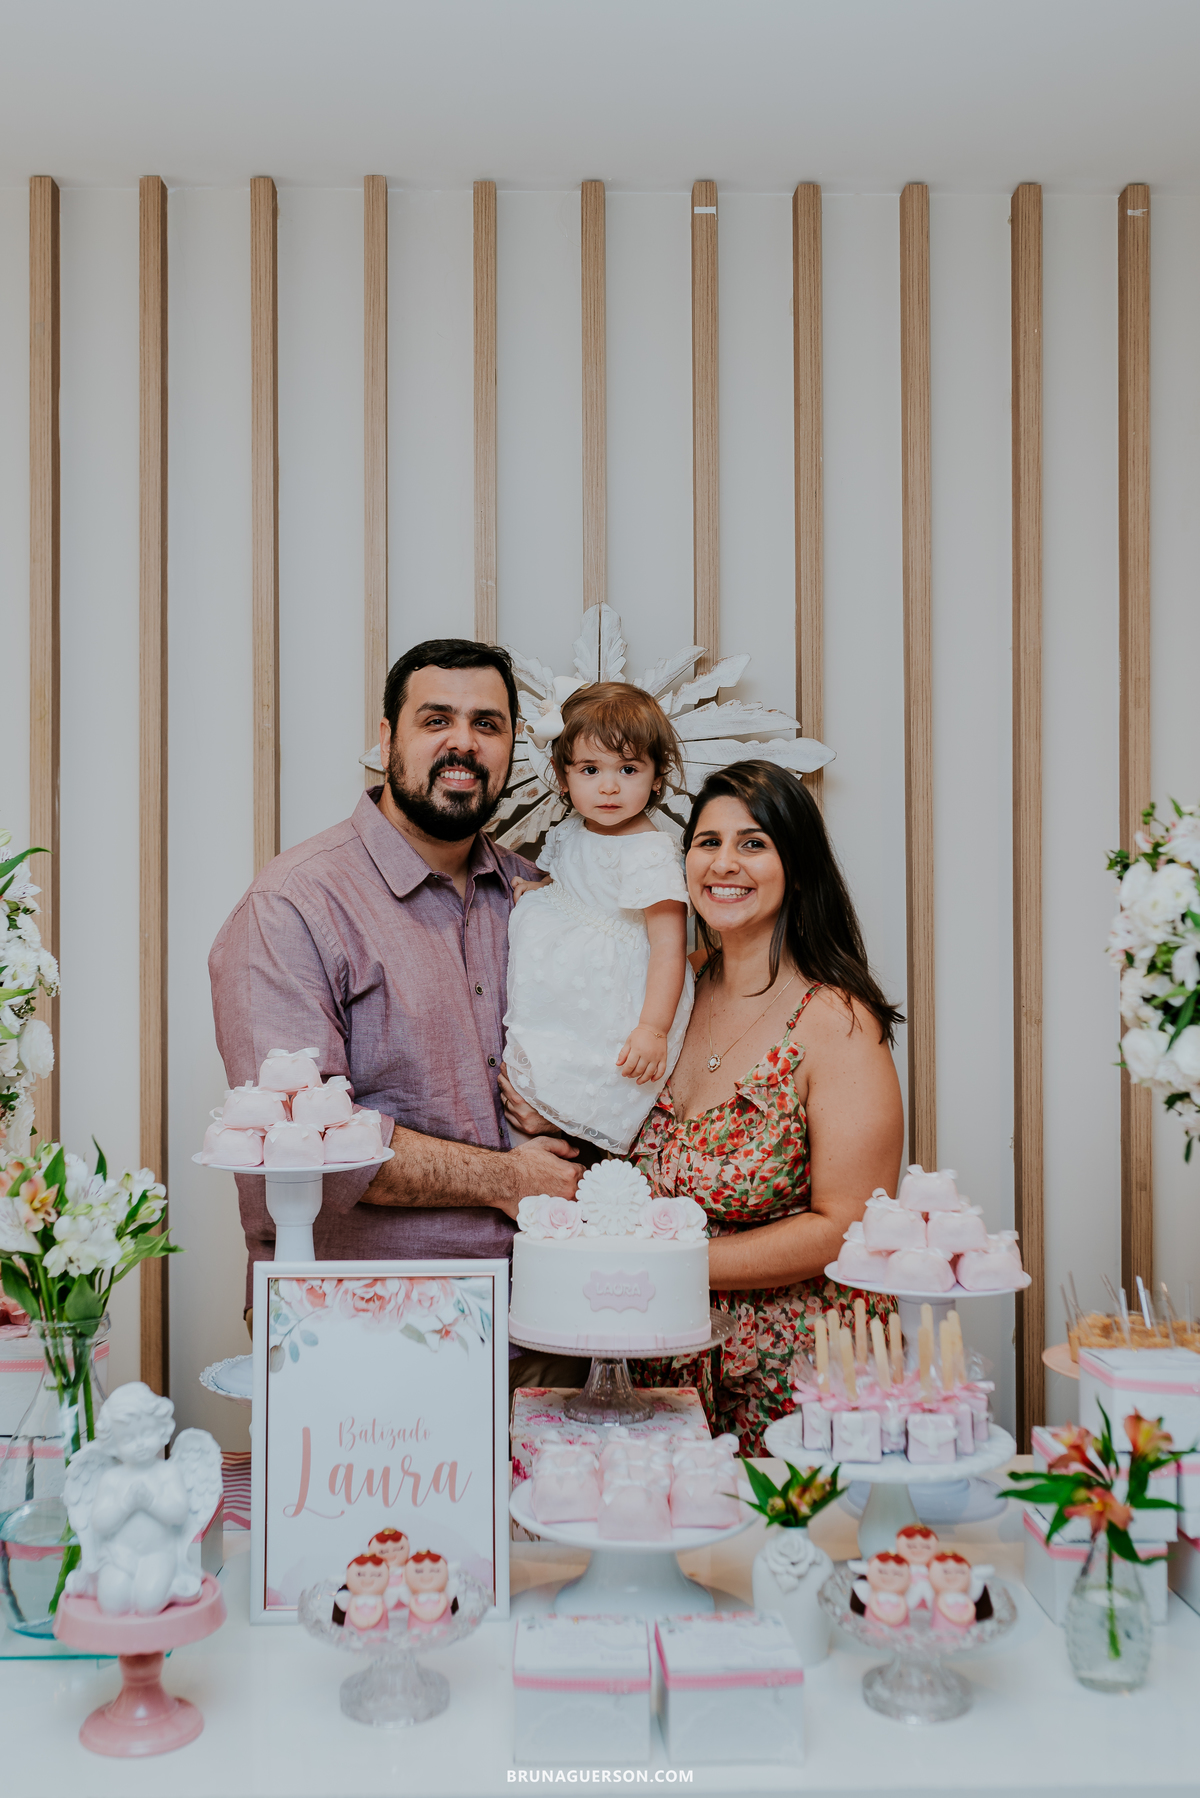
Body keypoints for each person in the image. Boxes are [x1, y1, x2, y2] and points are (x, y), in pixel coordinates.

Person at [503, 759, 905, 1453]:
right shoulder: (666, 997)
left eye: (753, 843)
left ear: (799, 867)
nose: (725, 863)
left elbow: (845, 1227)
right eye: (707, 842)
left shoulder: (835, 1021)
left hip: (793, 1371)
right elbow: (617, 1131)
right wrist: (552, 1116)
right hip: (659, 1363)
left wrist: (662, 1266)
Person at [208, 639, 583, 1365]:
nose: (463, 744)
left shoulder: (540, 900)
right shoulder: (294, 905)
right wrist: (510, 1178)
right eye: (435, 719)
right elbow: (303, 1144)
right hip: (361, 1323)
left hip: (545, 1313)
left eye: (488, 724)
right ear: (387, 740)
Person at [502, 682, 693, 1156]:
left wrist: (652, 1028)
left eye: (628, 769)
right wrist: (545, 893)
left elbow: (669, 947)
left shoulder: (649, 851)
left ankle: (579, 1139)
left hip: (618, 991)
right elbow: (576, 881)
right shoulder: (571, 831)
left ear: (656, 776)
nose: (609, 786)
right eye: (591, 769)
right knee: (550, 1052)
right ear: (562, 776)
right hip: (565, 984)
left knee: (600, 1066)